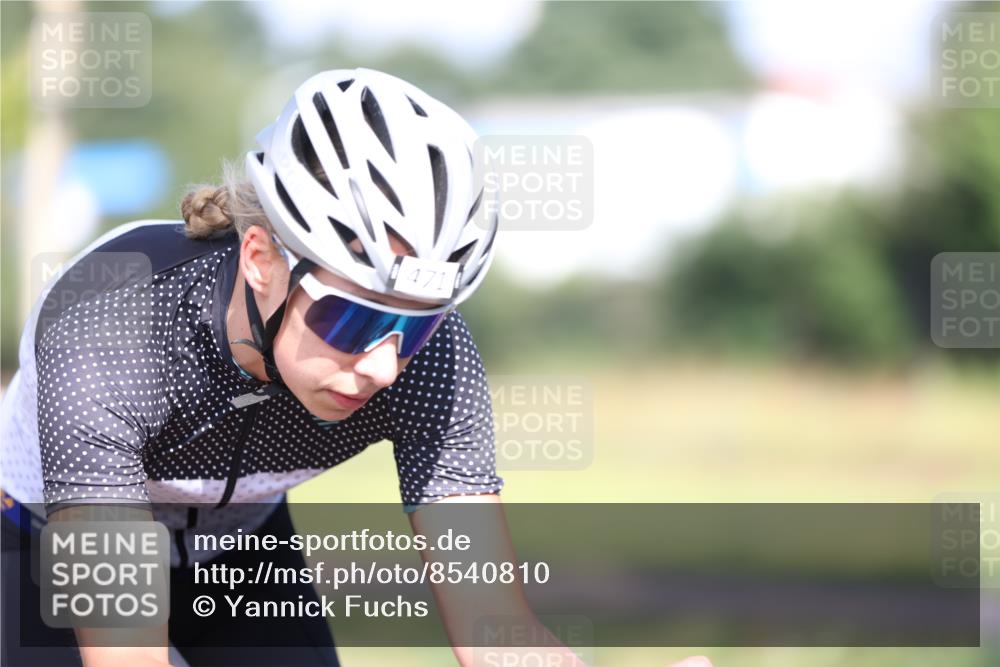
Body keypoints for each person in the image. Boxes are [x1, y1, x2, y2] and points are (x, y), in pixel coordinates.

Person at [1, 67, 712, 667]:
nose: (383, 364)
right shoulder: (111, 334)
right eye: (353, 316)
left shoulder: (433, 361)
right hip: (36, 541)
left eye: (418, 321)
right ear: (260, 259)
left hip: (238, 546)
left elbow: (496, 629)